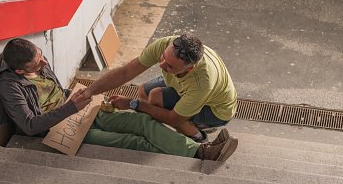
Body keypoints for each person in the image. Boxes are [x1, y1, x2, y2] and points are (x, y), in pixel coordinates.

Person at [0, 38, 235, 161]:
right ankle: (199, 154)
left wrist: (83, 96)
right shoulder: (10, 86)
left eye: (42, 57)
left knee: (143, 123)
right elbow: (29, 125)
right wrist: (70, 107)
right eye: (38, 63)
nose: (45, 63)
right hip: (57, 129)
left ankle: (201, 148)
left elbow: (174, 117)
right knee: (131, 141)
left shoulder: (202, 82)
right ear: (19, 71)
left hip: (76, 111)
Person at [80, 33, 238, 156]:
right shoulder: (165, 44)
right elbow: (126, 72)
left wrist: (134, 104)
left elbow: (173, 118)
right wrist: (89, 91)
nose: (161, 65)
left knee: (155, 99)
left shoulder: (202, 82)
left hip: (216, 110)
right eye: (163, 57)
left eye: (169, 66)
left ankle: (198, 140)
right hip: (187, 87)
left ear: (188, 69)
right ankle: (157, 130)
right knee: (144, 91)